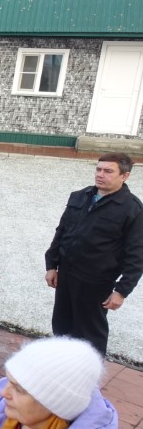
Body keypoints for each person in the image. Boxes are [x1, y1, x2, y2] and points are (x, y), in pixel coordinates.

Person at [45, 152, 143, 355]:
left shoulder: (132, 209)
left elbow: (137, 255)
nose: (100, 174)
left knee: (89, 333)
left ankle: (89, 372)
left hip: (96, 281)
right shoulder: (80, 196)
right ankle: (60, 365)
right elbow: (62, 231)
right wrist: (52, 265)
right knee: (62, 325)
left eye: (108, 171)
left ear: (124, 176)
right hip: (66, 274)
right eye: (98, 169)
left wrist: (122, 291)